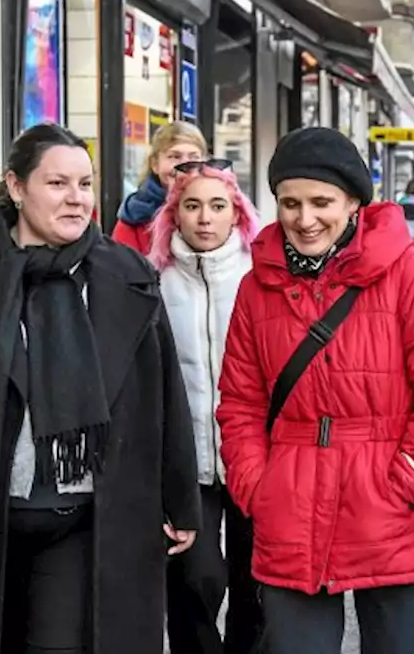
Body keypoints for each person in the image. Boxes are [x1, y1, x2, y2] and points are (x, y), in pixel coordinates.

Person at [0, 123, 202, 653]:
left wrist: (180, 500)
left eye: (85, 184)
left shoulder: (125, 275)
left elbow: (163, 396)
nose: (76, 199)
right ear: (17, 185)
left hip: (83, 523)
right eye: (57, 184)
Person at [216, 127, 414, 654]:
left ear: (354, 202)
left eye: (321, 202)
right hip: (290, 501)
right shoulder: (256, 285)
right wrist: (255, 485)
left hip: (388, 501)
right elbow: (240, 402)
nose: (304, 219)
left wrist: (411, 476)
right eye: (290, 203)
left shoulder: (407, 271)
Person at [147, 160, 264, 653]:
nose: (205, 218)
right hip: (186, 461)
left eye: (218, 206)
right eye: (192, 206)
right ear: (175, 214)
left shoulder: (260, 278)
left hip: (252, 456)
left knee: (254, 582)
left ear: (236, 214)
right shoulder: (153, 282)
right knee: (196, 578)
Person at [112, 121, 207, 255]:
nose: (185, 165)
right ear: (155, 164)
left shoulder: (222, 209)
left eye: (194, 157)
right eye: (175, 156)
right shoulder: (134, 215)